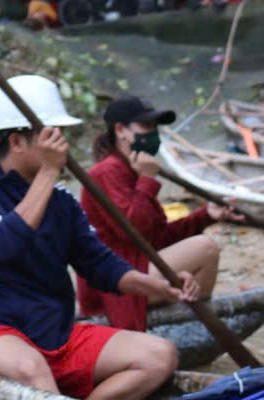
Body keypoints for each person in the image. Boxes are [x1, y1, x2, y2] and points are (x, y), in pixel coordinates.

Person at [0, 75, 199, 400]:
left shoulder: (61, 200)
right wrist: (48, 172)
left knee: (160, 355)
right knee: (31, 367)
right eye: (52, 135)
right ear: (18, 141)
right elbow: (3, 246)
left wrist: (159, 287)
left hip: (56, 333)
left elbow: (98, 263)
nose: (62, 145)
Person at [78, 96, 241, 332]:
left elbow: (157, 238)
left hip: (137, 268)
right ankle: (190, 327)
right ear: (120, 130)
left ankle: (187, 325)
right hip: (113, 285)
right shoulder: (107, 172)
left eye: (155, 127)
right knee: (205, 248)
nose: (153, 134)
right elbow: (133, 232)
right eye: (146, 126)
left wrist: (206, 215)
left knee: (205, 250)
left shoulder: (132, 169)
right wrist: (147, 179)